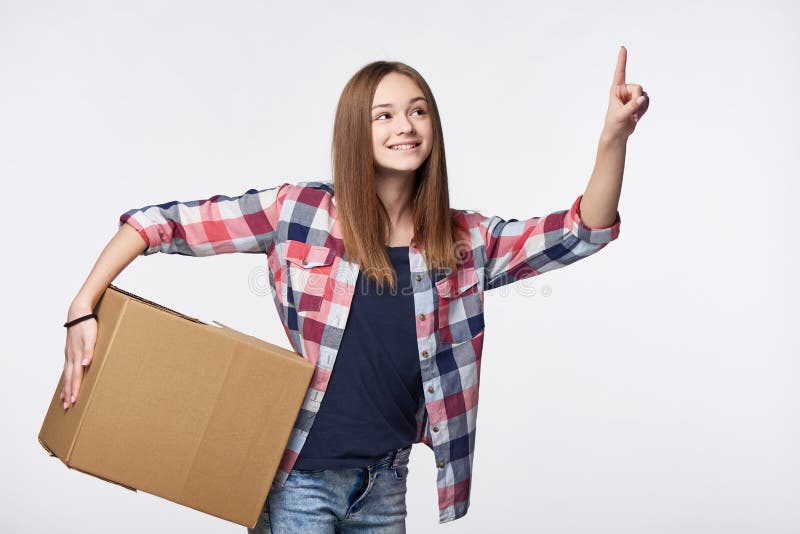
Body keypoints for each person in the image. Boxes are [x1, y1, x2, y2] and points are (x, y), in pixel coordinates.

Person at [60, 47, 648, 533]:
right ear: (355, 130)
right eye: (384, 115)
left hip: (385, 486)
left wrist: (612, 141)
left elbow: (579, 233)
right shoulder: (299, 212)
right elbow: (159, 224)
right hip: (298, 482)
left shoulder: (463, 239)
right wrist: (82, 306)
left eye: (418, 111)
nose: (406, 126)